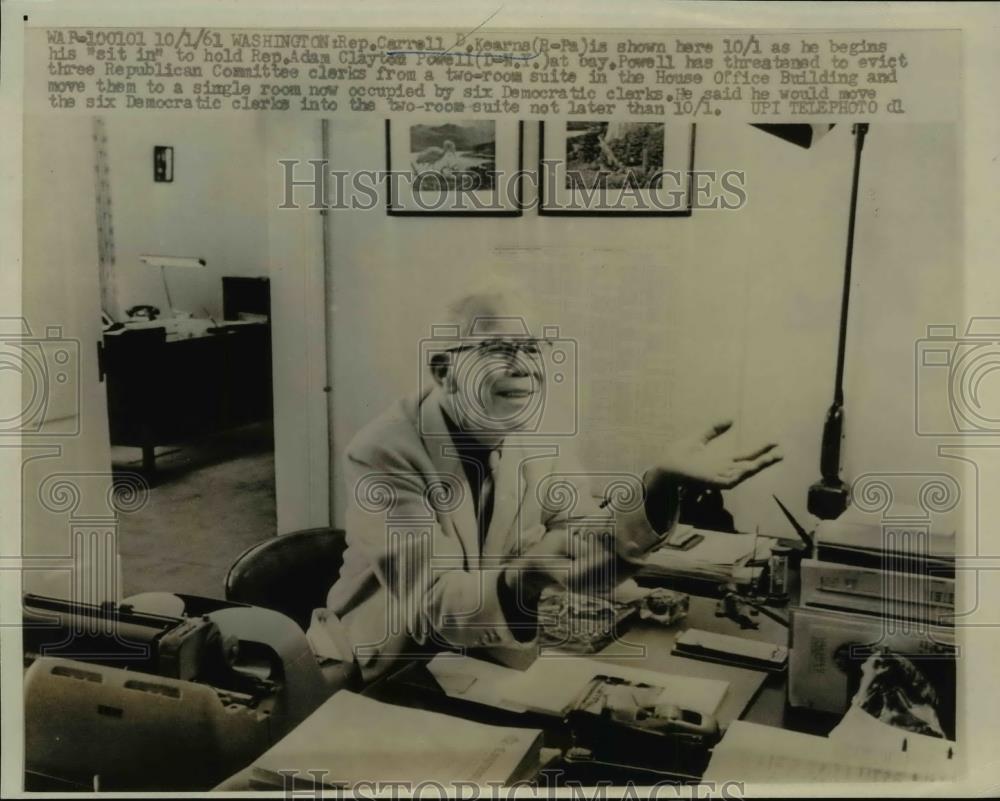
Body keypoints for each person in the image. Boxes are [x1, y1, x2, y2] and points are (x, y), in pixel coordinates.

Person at [307, 285, 782, 680]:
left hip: (495, 655)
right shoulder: (384, 451)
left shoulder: (534, 432)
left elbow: (587, 545)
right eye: (497, 349)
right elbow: (431, 604)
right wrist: (526, 576)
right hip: (396, 666)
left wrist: (657, 488)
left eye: (533, 348)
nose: (525, 366)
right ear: (444, 371)